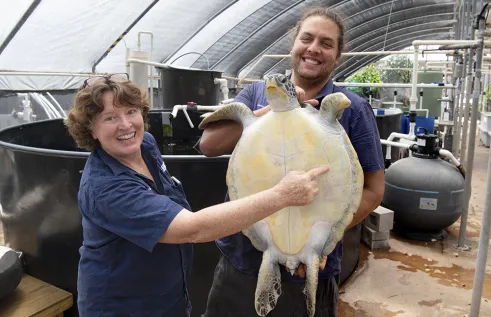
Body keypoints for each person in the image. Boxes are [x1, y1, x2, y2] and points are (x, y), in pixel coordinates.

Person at [64, 73, 330, 317]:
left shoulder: (144, 144)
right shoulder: (107, 188)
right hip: (121, 307)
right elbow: (193, 229)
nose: (125, 125)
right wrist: (282, 195)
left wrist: (274, 110)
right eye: (109, 117)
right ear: (90, 129)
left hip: (166, 296)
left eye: (131, 111)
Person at [199, 5, 385, 317]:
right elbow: (208, 146)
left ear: (338, 55)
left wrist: (323, 240)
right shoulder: (257, 94)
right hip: (240, 255)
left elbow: (374, 190)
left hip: (312, 260)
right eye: (307, 39)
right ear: (293, 44)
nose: (314, 49)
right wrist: (277, 107)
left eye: (326, 44)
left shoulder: (350, 107)